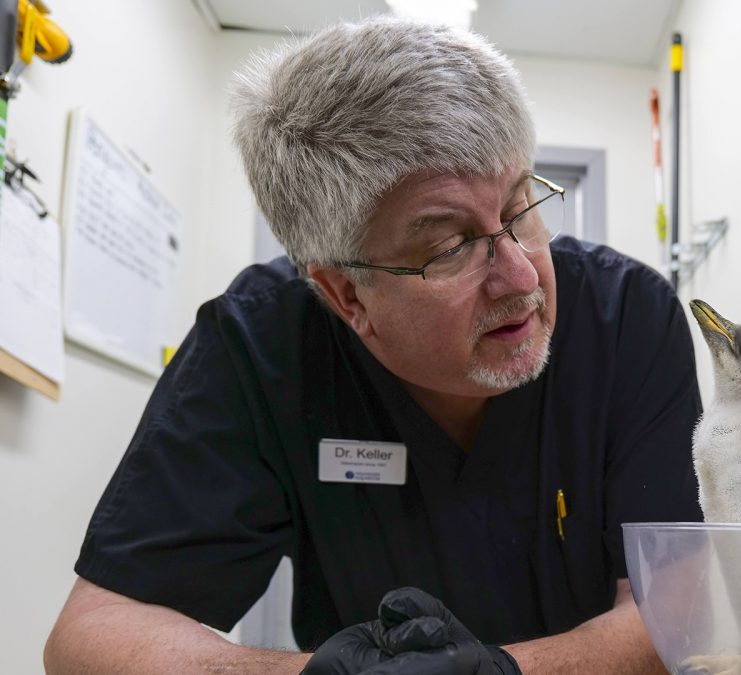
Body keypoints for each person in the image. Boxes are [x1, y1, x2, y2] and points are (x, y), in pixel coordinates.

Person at [42, 15, 703, 675]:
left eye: (521, 208)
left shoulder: (629, 320)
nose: (523, 276)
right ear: (345, 295)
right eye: (449, 246)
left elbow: (675, 618)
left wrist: (503, 671)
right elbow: (92, 636)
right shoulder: (262, 346)